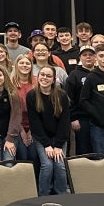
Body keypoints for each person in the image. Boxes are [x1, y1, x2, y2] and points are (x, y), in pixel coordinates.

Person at [27, 66, 71, 195]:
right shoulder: (32, 95)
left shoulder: (61, 95)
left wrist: (58, 145)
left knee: (60, 165)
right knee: (47, 165)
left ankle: (61, 194)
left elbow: (64, 122)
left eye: (48, 76)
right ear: (38, 76)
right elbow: (35, 123)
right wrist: (46, 145)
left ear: (53, 80)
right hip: (41, 138)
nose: (44, 78)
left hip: (59, 138)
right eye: (42, 75)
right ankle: (43, 195)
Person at [10, 54, 36, 162]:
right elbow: (11, 111)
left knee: (33, 155)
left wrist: (30, 130)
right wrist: (22, 130)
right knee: (23, 156)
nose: (24, 65)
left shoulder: (37, 82)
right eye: (21, 63)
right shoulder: (10, 83)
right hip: (16, 125)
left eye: (27, 63)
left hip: (35, 125)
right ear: (16, 65)